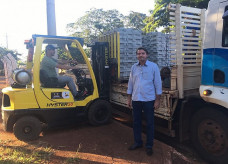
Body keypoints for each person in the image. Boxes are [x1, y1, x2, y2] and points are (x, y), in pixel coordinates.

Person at [127, 47, 162, 156]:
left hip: (148, 100)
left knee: (150, 124)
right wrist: (129, 98)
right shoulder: (134, 67)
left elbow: (157, 83)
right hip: (136, 99)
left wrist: (157, 100)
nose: (140, 55)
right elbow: (130, 83)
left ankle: (149, 146)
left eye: (142, 53)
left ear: (147, 55)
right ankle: (138, 142)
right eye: (138, 54)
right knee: (136, 122)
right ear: (137, 56)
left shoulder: (153, 66)